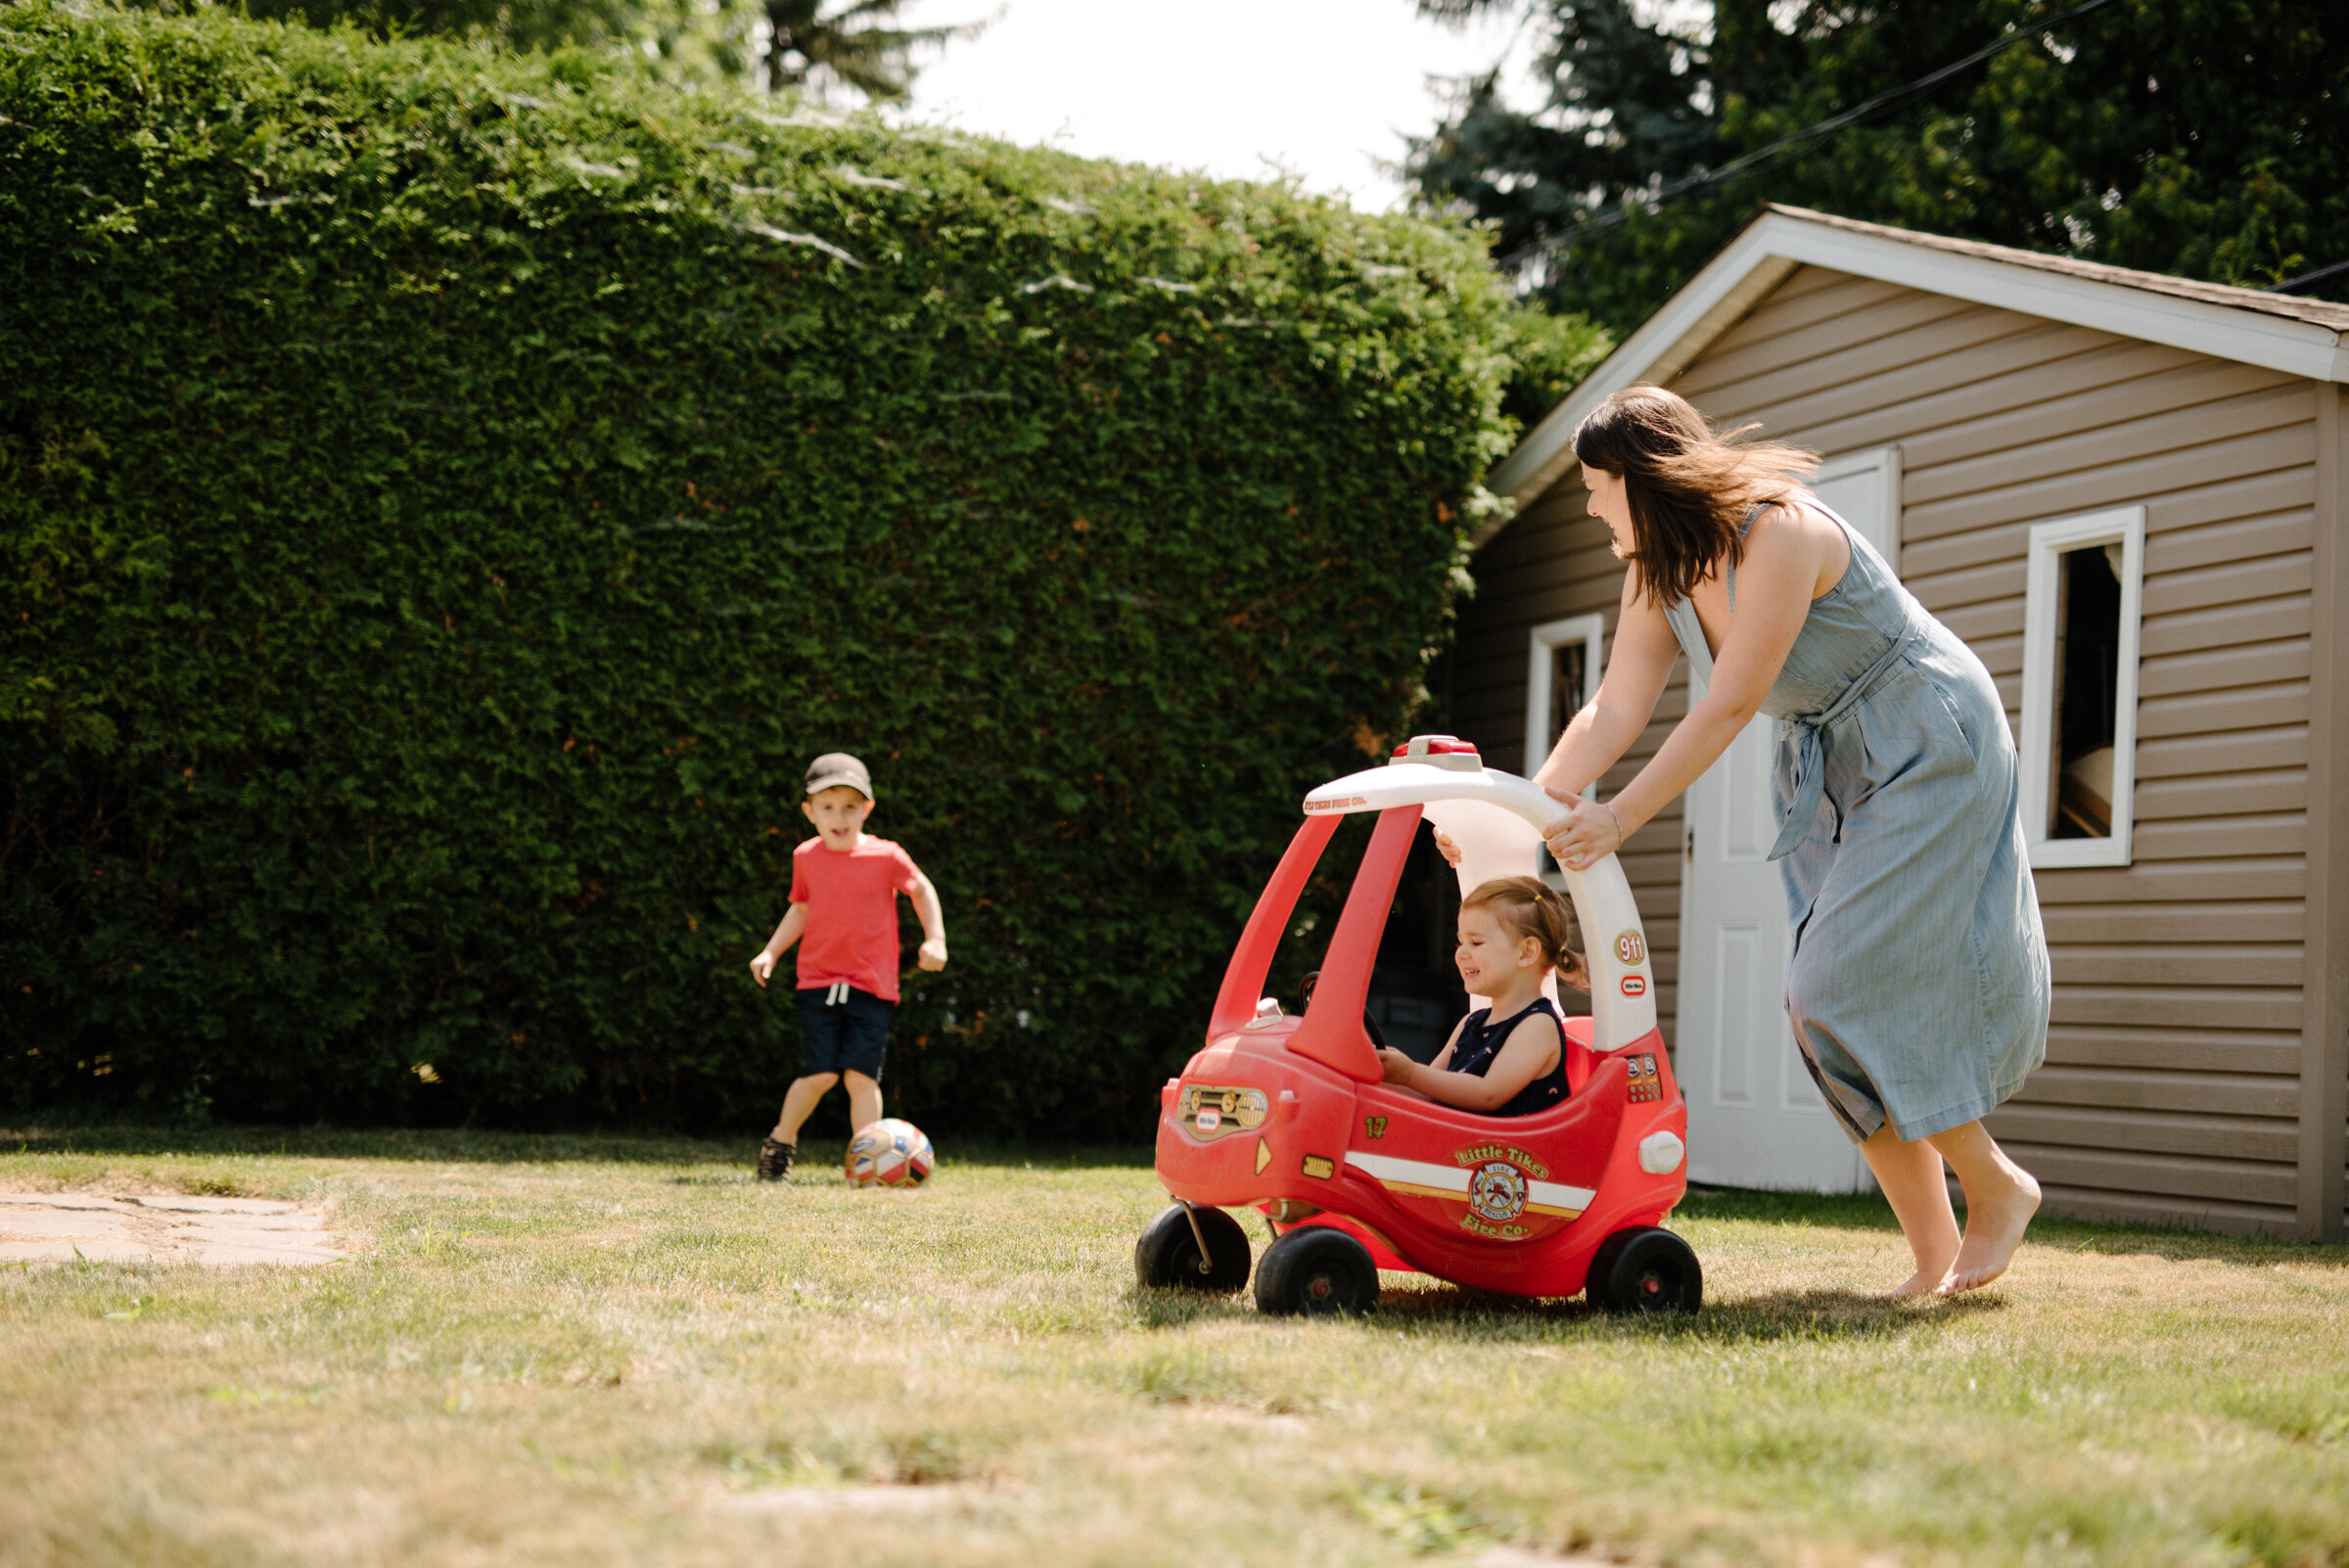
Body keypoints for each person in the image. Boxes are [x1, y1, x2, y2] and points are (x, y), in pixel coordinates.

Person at [1520, 385, 2050, 1298]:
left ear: (1642, 478)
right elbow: (1613, 709)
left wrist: (1618, 818)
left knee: (1832, 983)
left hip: (1927, 737)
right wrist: (1523, 815)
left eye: (1598, 487)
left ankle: (1997, 1186)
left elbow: (1727, 702)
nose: (1592, 505)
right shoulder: (1656, 568)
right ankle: (1934, 1255)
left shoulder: (1781, 534)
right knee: (1819, 1015)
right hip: (1828, 764)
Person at [748, 753, 947, 1181]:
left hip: (872, 986)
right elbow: (800, 909)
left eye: (850, 806)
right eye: (827, 806)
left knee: (860, 1077)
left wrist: (936, 938)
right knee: (819, 1074)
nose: (840, 816)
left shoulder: (886, 856)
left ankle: (870, 1166)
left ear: (867, 809)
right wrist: (771, 951)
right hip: (818, 983)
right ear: (809, 812)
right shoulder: (806, 857)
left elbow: (922, 889)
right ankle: (780, 1143)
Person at [1375, 876, 1589, 1116]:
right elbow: (1430, 1092)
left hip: (1511, 1151)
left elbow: (1488, 1094)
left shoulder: (1537, 1025)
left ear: (1527, 952)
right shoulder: (1470, 1023)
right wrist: (1383, 1077)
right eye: (1460, 942)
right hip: (1466, 1150)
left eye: (1476, 942)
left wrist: (1411, 1073)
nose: (1461, 954)